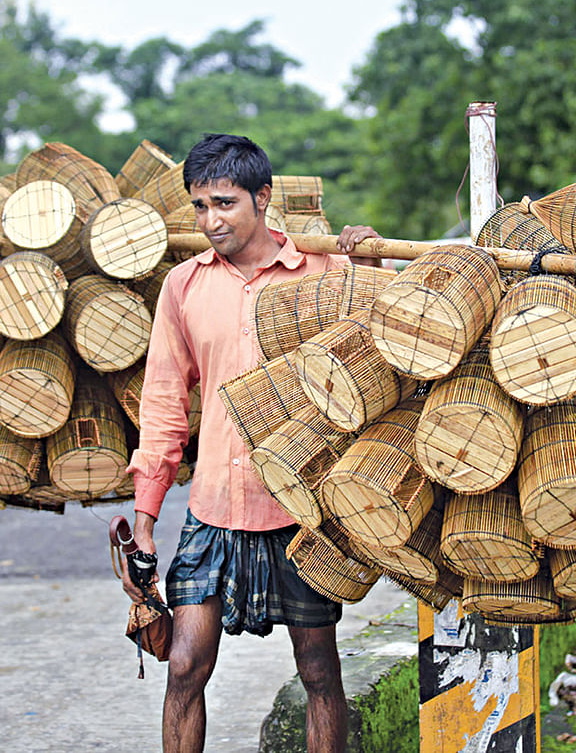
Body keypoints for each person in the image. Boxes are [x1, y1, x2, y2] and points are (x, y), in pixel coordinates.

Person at [123, 134, 380, 753]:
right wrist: (145, 517)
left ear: (262, 199)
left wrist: (368, 265)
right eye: (199, 207)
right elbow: (162, 406)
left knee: (319, 670)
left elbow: (384, 348)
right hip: (213, 505)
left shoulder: (326, 272)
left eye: (225, 203)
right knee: (184, 666)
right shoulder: (182, 287)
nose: (211, 221)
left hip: (302, 511)